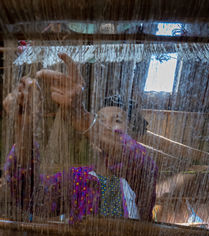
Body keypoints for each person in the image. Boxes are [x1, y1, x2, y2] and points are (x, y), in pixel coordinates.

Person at [3, 53, 158, 223]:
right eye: (100, 120)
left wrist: (80, 116)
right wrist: (24, 128)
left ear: (132, 133)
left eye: (117, 121)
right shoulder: (77, 179)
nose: (106, 126)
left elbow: (138, 160)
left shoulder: (141, 175)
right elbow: (31, 197)